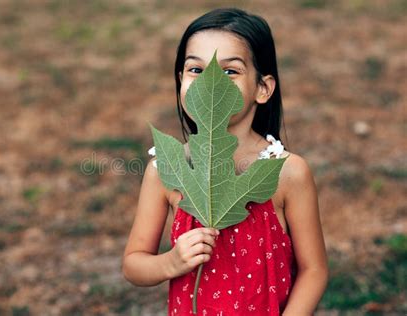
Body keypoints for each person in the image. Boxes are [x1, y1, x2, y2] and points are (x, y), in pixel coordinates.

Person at [122, 7, 328, 315]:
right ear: (180, 83)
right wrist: (171, 262)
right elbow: (133, 263)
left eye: (229, 71)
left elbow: (314, 270)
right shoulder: (166, 170)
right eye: (196, 70)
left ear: (263, 88)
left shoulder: (287, 172)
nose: (211, 85)